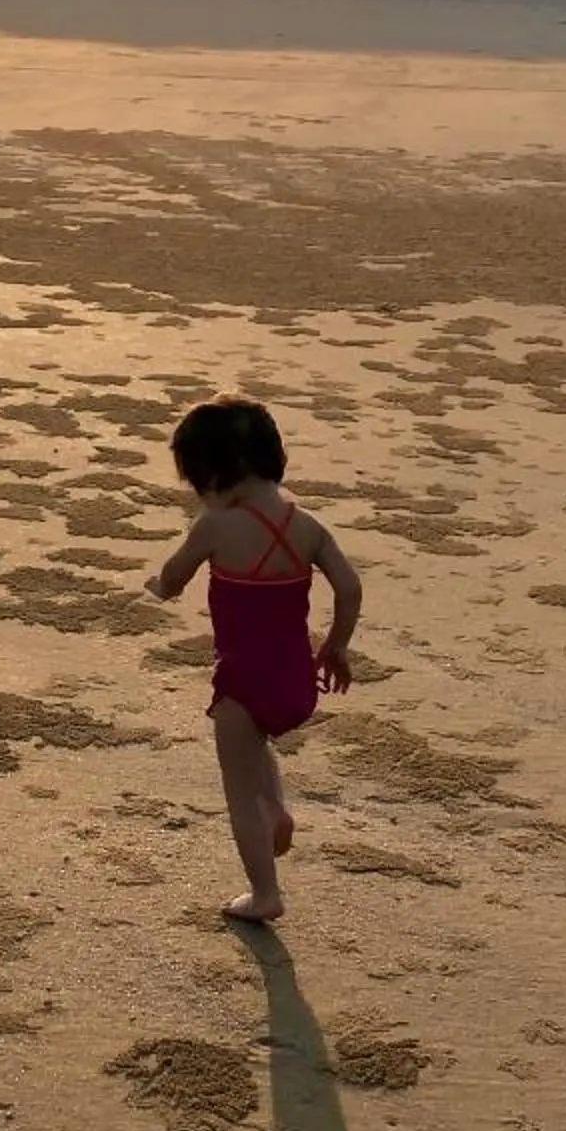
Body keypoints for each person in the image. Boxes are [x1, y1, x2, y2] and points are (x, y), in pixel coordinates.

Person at [147, 394, 362, 925]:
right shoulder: (307, 525)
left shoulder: (215, 528)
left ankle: (264, 891)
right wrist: (335, 646)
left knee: (238, 788)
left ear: (211, 474)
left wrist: (160, 586)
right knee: (258, 747)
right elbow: (350, 586)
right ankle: (279, 812)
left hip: (242, 678)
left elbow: (173, 580)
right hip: (296, 678)